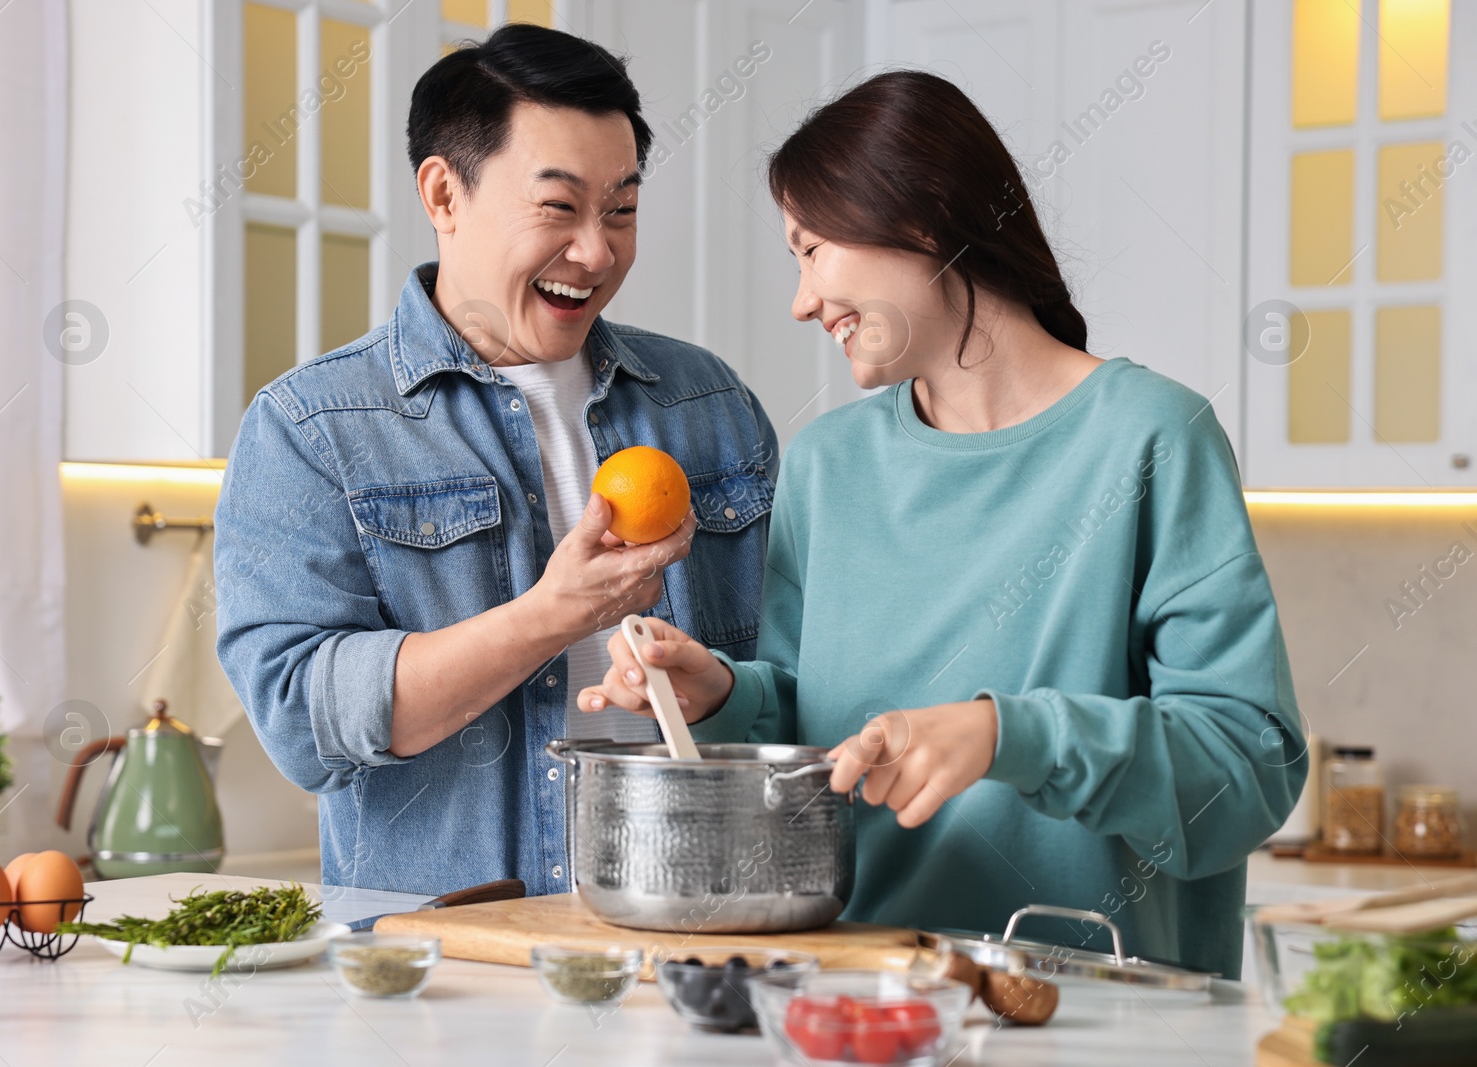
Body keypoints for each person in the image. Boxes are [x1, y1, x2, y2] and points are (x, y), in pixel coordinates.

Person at [580, 70, 1305, 977]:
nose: (802, 301)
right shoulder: (828, 464)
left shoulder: (1151, 438)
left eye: (812, 251)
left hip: (1095, 1008)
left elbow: (1247, 772)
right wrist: (724, 697)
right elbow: (818, 726)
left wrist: (1011, 736)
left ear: (922, 219)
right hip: (856, 995)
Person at [214, 25, 778, 897]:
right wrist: (551, 616)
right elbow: (301, 718)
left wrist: (722, 687)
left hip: (696, 937)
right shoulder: (314, 427)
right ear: (444, 192)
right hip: (451, 975)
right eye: (558, 208)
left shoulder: (707, 406)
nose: (596, 251)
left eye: (621, 210)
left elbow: (799, 683)